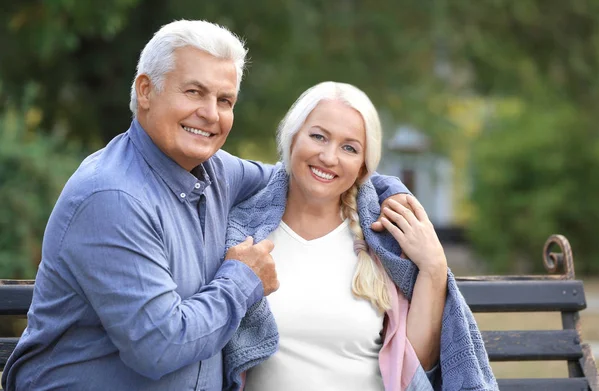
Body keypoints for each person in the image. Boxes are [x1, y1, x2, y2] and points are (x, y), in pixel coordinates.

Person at [1, 21, 412, 390]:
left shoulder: (214, 171)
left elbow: (299, 174)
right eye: (194, 92)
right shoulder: (112, 197)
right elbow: (159, 347)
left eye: (225, 100)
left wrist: (391, 196)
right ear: (146, 91)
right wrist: (242, 279)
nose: (210, 114)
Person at [222, 82, 498, 390]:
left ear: (363, 166)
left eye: (349, 147)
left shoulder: (384, 240)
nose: (329, 157)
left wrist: (433, 267)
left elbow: (413, 369)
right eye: (318, 136)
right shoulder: (242, 234)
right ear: (292, 137)